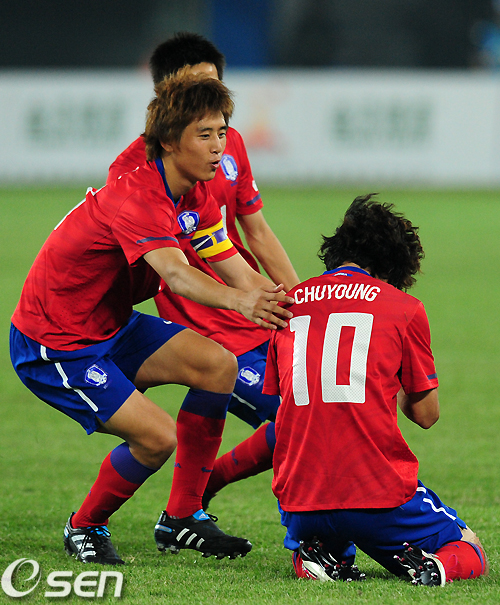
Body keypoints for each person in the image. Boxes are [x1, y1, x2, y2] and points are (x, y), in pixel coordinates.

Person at [10, 71, 294, 566]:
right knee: (157, 438)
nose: (218, 147)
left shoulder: (195, 194)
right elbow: (178, 276)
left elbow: (231, 263)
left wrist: (295, 306)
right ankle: (84, 526)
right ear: (168, 141)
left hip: (111, 326)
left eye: (222, 132)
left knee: (217, 366)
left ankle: (183, 516)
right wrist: (242, 303)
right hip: (55, 343)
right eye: (204, 135)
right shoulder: (138, 195)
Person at [108, 32, 300, 508]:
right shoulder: (134, 174)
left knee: (320, 408)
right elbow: (164, 268)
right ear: (165, 98)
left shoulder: (229, 145)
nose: (208, 102)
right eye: (194, 90)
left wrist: (301, 304)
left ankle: (188, 505)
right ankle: (217, 498)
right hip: (203, 323)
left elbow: (256, 233)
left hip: (254, 305)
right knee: (300, 419)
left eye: (214, 89)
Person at [263, 194, 488, 585]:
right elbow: (427, 416)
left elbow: (284, 399)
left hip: (300, 497)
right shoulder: (403, 307)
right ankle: (433, 567)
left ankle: (315, 557)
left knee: (329, 535)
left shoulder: (289, 304)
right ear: (394, 264)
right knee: (469, 546)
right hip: (375, 493)